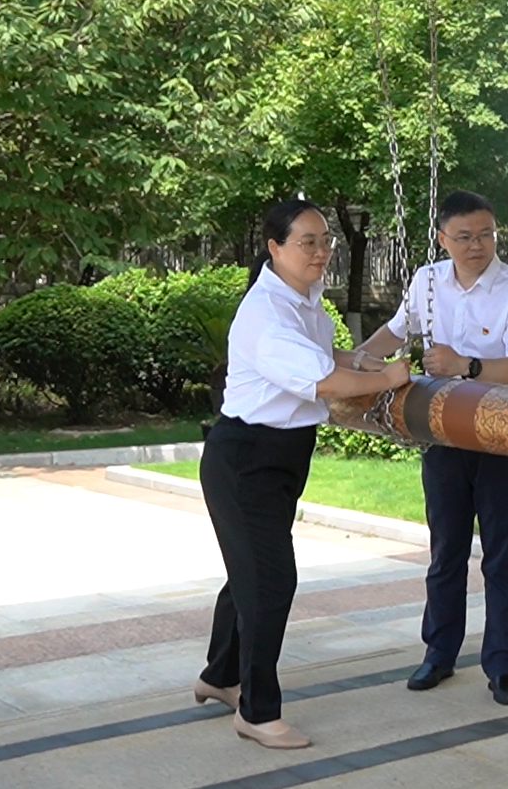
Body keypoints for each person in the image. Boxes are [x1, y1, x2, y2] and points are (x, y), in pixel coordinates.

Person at [197, 198, 409, 749]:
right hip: (247, 460)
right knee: (271, 582)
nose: (320, 251)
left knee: (249, 572)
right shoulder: (267, 313)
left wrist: (361, 360)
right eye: (307, 242)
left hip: (279, 457)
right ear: (274, 247)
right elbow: (322, 382)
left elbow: (324, 355)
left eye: (324, 241)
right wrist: (387, 378)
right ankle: (257, 712)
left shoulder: (301, 298)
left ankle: (220, 675)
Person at [355, 189, 508, 706]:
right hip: (441, 433)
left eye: (486, 235)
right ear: (443, 239)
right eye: (464, 237)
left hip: (502, 434)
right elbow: (396, 332)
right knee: (445, 552)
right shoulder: (428, 281)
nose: (477, 245)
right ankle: (438, 653)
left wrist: (466, 366)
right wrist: (355, 360)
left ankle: (503, 667)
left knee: (502, 556)